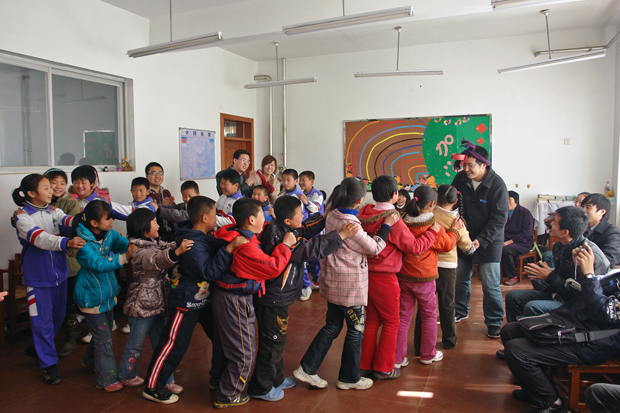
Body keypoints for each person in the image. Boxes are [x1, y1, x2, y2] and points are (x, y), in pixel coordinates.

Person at [248, 196, 356, 402]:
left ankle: (276, 379)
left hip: (278, 298)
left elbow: (305, 228)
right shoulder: (281, 236)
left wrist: (323, 217)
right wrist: (340, 236)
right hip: (273, 300)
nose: (303, 216)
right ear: (287, 221)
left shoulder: (285, 228)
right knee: (273, 342)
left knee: (278, 339)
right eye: (300, 214)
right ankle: (260, 387)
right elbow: (309, 249)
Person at [293, 177, 397, 391]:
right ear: (359, 200)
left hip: (334, 282)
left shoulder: (332, 213)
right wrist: (387, 225)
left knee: (332, 325)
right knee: (355, 330)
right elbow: (374, 248)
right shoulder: (351, 225)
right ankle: (349, 378)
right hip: (349, 288)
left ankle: (307, 368)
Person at [143, 196, 245, 405]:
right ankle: (153, 386)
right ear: (205, 217)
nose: (217, 218)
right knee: (174, 344)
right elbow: (209, 271)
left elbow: (213, 245)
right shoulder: (191, 243)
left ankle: (219, 379)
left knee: (220, 337)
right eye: (215, 214)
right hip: (186, 301)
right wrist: (228, 249)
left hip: (203, 300)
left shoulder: (201, 236)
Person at [502, 242, 620, 413]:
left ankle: (551, 403)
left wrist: (589, 275)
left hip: (594, 341)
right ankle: (535, 391)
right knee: (510, 331)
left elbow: (601, 312)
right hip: (578, 325)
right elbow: (584, 292)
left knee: (517, 350)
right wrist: (579, 269)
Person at [210, 198, 295, 408]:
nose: (265, 220)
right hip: (234, 300)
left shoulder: (237, 233)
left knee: (227, 345)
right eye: (262, 216)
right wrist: (285, 245)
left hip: (230, 296)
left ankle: (217, 381)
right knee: (243, 351)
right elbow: (273, 267)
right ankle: (228, 394)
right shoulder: (246, 246)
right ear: (250, 219)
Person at [357, 176, 437, 379]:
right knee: (392, 321)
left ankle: (364, 365)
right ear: (394, 195)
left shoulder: (364, 214)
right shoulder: (393, 219)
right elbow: (414, 248)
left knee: (372, 320)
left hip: (365, 274)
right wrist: (432, 233)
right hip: (385, 277)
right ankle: (384, 368)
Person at [12, 174, 85, 384]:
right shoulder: (22, 217)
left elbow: (68, 221)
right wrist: (66, 242)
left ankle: (35, 348)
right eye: (46, 187)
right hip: (38, 278)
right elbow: (40, 238)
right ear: (31, 193)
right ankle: (48, 365)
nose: (52, 190)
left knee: (57, 318)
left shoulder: (54, 211)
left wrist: (87, 215)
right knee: (42, 322)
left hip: (60, 274)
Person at [117, 208, 192, 393]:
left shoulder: (153, 242)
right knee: (135, 343)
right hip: (141, 304)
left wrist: (182, 241)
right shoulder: (137, 250)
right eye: (155, 222)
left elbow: (166, 246)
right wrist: (177, 252)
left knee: (162, 343)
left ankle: (165, 378)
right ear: (144, 229)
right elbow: (157, 260)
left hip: (158, 302)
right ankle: (126, 374)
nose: (158, 226)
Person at [504, 206, 610, 323]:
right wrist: (543, 275)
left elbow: (580, 293)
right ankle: (516, 330)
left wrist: (549, 276)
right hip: (560, 294)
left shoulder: (586, 255)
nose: (551, 224)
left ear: (565, 232)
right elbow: (562, 278)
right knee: (513, 297)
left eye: (554, 222)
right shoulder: (559, 246)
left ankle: (533, 331)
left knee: (532, 307)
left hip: (577, 304)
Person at [397, 185, 461, 366]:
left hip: (404, 277)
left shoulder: (403, 222)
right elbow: (447, 245)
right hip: (425, 279)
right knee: (429, 316)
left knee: (403, 318)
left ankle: (397, 358)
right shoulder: (433, 226)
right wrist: (455, 231)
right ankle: (427, 354)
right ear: (433, 203)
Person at [451, 140, 508, 339]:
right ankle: (460, 310)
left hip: (490, 241)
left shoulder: (497, 185)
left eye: (471, 165)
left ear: (484, 165)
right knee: (460, 277)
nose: (466, 169)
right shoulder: (460, 179)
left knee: (490, 284)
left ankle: (494, 321)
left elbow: (499, 219)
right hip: (465, 237)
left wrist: (481, 240)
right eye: (464, 165)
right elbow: (452, 203)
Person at [73, 200, 130, 392]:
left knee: (101, 335)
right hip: (91, 297)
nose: (112, 221)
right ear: (94, 223)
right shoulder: (82, 243)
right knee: (103, 339)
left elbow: (123, 244)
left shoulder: (109, 234)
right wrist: (124, 257)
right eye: (108, 218)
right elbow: (99, 264)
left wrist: (136, 244)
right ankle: (106, 379)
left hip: (107, 294)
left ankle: (90, 361)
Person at [44, 168, 83, 358]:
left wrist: (56, 214)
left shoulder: (69, 203)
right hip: (47, 261)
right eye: (53, 183)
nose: (58, 186)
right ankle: (46, 340)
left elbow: (73, 228)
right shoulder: (41, 204)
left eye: (62, 183)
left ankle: (71, 335)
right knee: (52, 302)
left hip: (68, 260)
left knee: (68, 301)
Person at [433, 184, 475, 350]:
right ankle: (449, 340)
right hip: (448, 267)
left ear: (436, 198)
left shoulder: (430, 215)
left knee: (426, 306)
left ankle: (421, 341)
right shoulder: (457, 221)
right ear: (456, 201)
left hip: (428, 265)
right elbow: (468, 248)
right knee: (447, 305)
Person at [70, 165, 134, 220]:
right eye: (76, 182)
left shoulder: (99, 202)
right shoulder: (74, 201)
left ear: (92, 183)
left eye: (83, 182)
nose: (80, 186)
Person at [299, 170, 325, 295]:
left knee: (315, 257)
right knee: (306, 256)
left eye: (303, 180)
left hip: (316, 229)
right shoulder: (300, 194)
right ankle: (308, 284)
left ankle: (317, 281)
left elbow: (316, 208)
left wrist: (305, 201)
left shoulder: (317, 194)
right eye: (300, 180)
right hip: (305, 228)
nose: (301, 183)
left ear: (311, 181)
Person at [502, 190, 534, 286]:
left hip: (522, 242)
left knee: (506, 250)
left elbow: (527, 233)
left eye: (509, 199)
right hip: (506, 240)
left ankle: (512, 276)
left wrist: (509, 242)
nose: (507, 201)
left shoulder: (525, 213)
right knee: (491, 245)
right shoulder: (503, 212)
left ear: (516, 200)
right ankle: (491, 274)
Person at [581, 193, 620, 266]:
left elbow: (609, 260)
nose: (583, 210)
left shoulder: (613, 233)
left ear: (602, 212)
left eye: (588, 207)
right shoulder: (582, 229)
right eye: (582, 207)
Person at [145, 162, 175, 241]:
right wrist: (163, 206)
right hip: (155, 234)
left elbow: (173, 212)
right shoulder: (145, 193)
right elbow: (146, 216)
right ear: (146, 176)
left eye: (160, 173)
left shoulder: (166, 192)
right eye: (153, 173)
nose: (157, 176)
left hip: (171, 232)